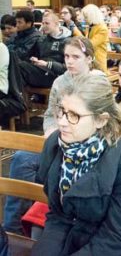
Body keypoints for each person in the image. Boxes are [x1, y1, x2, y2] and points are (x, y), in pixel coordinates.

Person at [32, 74, 121, 255]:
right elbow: (59, 214)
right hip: (77, 235)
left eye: (74, 115)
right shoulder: (56, 144)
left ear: (101, 119)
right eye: (61, 111)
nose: (61, 122)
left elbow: (119, 236)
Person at [3, 37, 105, 235]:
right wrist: (50, 131)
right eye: (66, 56)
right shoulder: (60, 81)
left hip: (86, 146)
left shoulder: (98, 82)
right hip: (60, 137)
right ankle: (13, 226)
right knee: (21, 159)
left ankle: (45, 218)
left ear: (89, 59)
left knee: (48, 168)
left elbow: (101, 122)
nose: (70, 61)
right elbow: (50, 114)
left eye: (76, 56)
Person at [18, 13, 71, 88]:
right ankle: (18, 96)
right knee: (16, 64)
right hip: (40, 71)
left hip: (56, 76)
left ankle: (16, 97)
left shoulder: (68, 42)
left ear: (56, 24)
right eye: (43, 23)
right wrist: (34, 59)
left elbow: (67, 68)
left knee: (20, 67)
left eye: (47, 23)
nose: (43, 26)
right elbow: (31, 56)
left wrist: (47, 64)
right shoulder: (41, 39)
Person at [82, 4, 109, 74]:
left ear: (92, 16)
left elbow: (90, 44)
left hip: (98, 60)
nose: (84, 19)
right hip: (89, 59)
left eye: (86, 17)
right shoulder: (91, 26)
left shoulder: (102, 28)